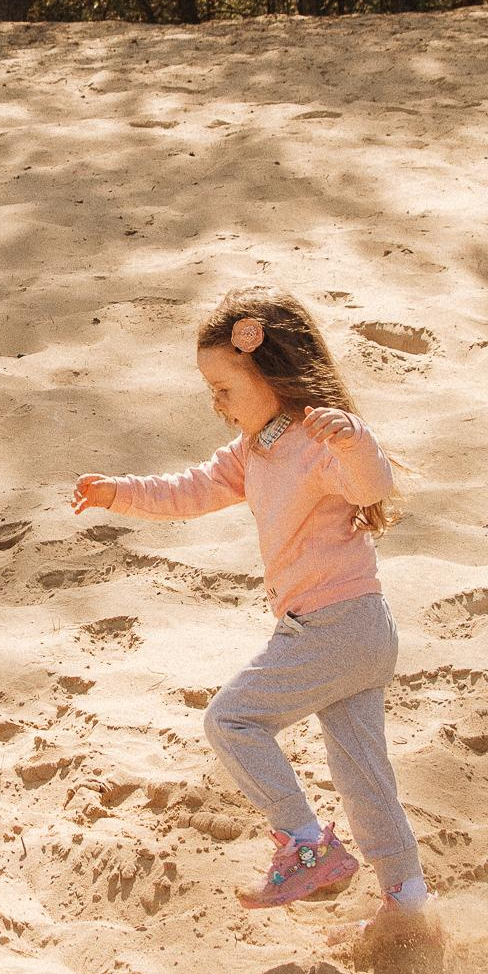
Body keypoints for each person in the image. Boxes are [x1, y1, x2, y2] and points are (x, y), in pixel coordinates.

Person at [71, 285, 432, 925]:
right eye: (210, 388)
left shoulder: (320, 442)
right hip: (355, 632)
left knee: (232, 722)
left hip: (335, 627)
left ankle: (304, 845)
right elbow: (191, 489)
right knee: (363, 777)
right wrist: (118, 494)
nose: (216, 402)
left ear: (273, 373)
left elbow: (371, 483)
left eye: (226, 388)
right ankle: (407, 907)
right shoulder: (255, 450)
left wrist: (351, 439)